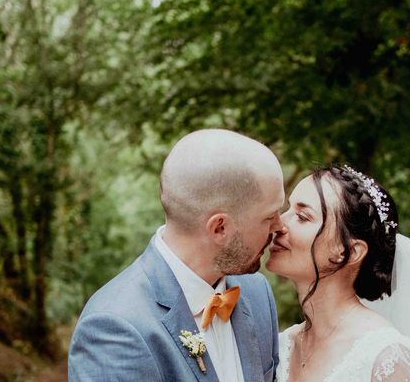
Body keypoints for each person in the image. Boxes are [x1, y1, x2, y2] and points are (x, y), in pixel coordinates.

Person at [68, 129, 285, 381]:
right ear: (220, 228)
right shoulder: (115, 330)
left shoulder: (257, 293)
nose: (280, 226)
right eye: (269, 217)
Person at [267, 165, 410, 382]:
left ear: (348, 252)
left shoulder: (385, 357)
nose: (279, 224)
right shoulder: (282, 346)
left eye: (302, 216)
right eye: (288, 210)